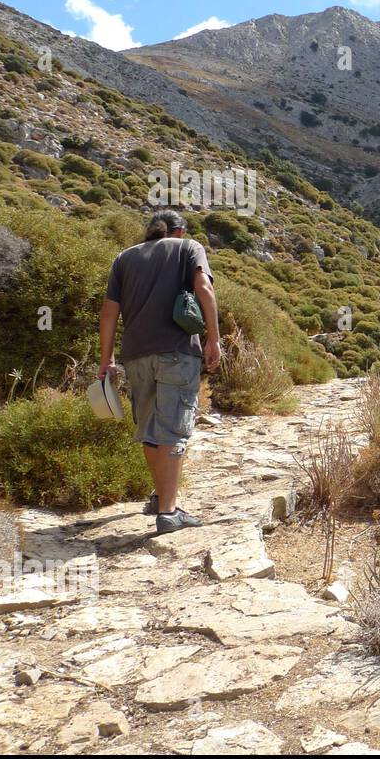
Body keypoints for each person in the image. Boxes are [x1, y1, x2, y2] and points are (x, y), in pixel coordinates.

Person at [98, 210, 220, 534]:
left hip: (136, 356)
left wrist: (105, 360)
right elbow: (205, 291)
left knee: (151, 428)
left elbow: (109, 313)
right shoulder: (188, 248)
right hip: (176, 352)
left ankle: (159, 498)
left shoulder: (124, 258)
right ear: (178, 232)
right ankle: (168, 512)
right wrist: (214, 340)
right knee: (173, 430)